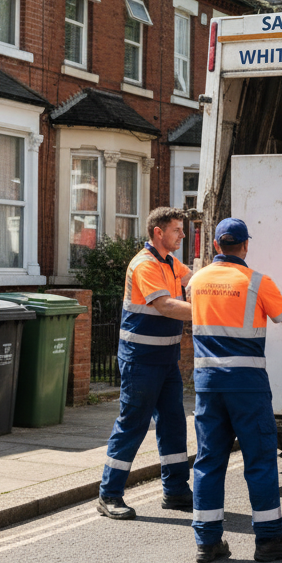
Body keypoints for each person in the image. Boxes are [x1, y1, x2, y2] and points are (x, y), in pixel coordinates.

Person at [188, 218, 282, 563]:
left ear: (215, 245)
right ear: (244, 246)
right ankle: (270, 539)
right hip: (247, 386)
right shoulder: (256, 282)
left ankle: (208, 542)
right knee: (258, 460)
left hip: (208, 385)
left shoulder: (196, 281)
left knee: (209, 461)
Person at [96, 207, 194, 521]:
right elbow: (165, 306)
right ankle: (109, 495)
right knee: (132, 425)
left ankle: (176, 491)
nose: (181, 235)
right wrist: (210, 311)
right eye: (177, 230)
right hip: (141, 361)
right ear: (158, 232)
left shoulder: (170, 262)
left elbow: (194, 280)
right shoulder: (145, 264)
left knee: (174, 424)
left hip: (165, 360)